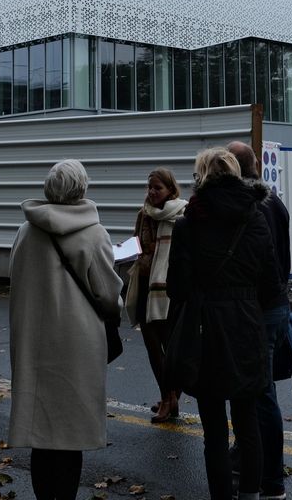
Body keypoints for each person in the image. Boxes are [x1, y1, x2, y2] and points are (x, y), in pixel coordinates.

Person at [167, 148, 281, 500]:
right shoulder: (256, 217)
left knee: (213, 428)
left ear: (201, 177)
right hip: (247, 324)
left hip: (207, 329)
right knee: (247, 421)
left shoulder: (189, 223)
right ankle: (250, 493)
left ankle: (221, 495)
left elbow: (177, 288)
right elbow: (271, 283)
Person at [8, 160, 123, 500]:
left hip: (34, 340)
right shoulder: (94, 233)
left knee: (42, 433)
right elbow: (107, 294)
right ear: (82, 190)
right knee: (70, 435)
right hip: (78, 344)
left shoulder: (26, 230)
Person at [227, 141, 292, 500]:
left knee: (262, 393)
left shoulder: (253, 207)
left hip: (261, 308)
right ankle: (247, 454)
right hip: (277, 304)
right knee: (259, 389)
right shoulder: (275, 203)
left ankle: (272, 482)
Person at [125, 168, 187, 423]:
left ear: (170, 190)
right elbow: (136, 243)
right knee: (153, 347)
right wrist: (121, 252)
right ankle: (167, 396)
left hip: (169, 290)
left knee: (171, 348)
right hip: (145, 286)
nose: (151, 192)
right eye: (149, 187)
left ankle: (171, 397)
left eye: (157, 188)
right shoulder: (144, 213)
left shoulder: (181, 215)